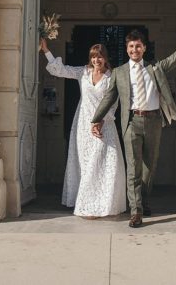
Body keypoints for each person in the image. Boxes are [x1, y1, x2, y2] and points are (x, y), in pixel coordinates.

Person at [91, 17, 176, 228]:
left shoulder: (155, 68)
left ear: (143, 48)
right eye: (131, 46)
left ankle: (143, 199)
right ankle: (136, 211)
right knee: (133, 168)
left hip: (153, 122)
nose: (134, 50)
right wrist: (96, 119)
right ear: (127, 48)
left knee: (149, 167)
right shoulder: (119, 72)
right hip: (131, 122)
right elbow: (109, 98)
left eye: (138, 46)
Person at [40, 38, 126, 218]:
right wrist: (46, 50)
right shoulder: (83, 73)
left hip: (104, 124)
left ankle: (100, 204)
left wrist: (102, 121)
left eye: (100, 57)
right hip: (83, 125)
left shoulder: (112, 77)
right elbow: (61, 70)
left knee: (102, 162)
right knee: (86, 164)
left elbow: (113, 104)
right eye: (94, 57)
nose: (96, 60)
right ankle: (87, 203)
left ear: (105, 58)